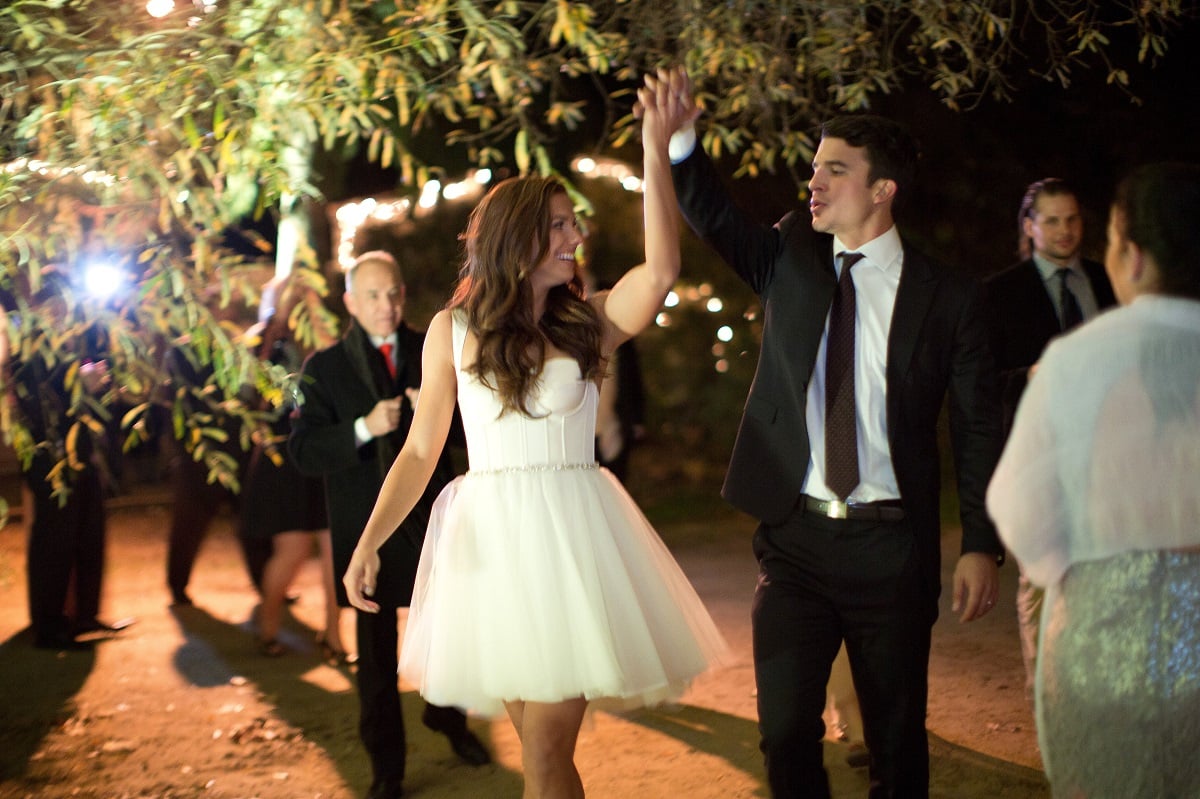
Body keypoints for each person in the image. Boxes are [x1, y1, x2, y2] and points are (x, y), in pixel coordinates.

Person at [342, 70, 728, 799]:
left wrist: (654, 146)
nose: (575, 236)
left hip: (571, 545)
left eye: (573, 224)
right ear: (516, 236)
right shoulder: (451, 333)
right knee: (544, 756)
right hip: (490, 556)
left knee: (546, 754)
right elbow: (422, 450)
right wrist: (368, 541)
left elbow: (664, 268)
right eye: (559, 224)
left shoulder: (592, 323)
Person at [664, 66, 1005, 797]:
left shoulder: (948, 297)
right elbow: (714, 217)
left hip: (892, 546)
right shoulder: (791, 254)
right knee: (786, 733)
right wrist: (683, 140)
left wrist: (980, 542)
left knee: (896, 748)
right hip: (796, 545)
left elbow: (978, 428)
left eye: (835, 171)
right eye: (814, 168)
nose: (813, 183)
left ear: (883, 190)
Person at [986, 162, 1200, 798]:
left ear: (1131, 256)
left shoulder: (1075, 358)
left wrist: (1071, 571)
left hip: (1101, 626)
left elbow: (1021, 506)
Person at [289, 250, 490, 799]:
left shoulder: (441, 347)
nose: (386, 305)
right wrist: (361, 427)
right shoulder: (323, 369)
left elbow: (484, 431)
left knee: (451, 635)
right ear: (350, 302)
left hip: (432, 523)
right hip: (367, 532)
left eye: (394, 293)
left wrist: (443, 412)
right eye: (373, 296)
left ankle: (450, 722)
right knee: (374, 658)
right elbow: (303, 451)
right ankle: (387, 769)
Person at [983, 177, 1116, 700]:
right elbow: (976, 383)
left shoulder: (1107, 283)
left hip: (1107, 458)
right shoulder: (997, 293)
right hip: (1038, 457)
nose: (1065, 231)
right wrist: (1030, 376)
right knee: (1041, 579)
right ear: (1029, 226)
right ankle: (1051, 703)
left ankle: (1097, 699)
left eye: (1073, 219)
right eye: (1053, 220)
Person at [2, 281, 134, 651]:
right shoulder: (27, 348)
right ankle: (50, 626)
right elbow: (38, 402)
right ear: (42, 307)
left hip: (83, 452)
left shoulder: (74, 340)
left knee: (89, 533)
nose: (63, 311)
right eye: (57, 304)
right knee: (55, 540)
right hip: (50, 458)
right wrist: (80, 379)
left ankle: (84, 614)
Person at [240, 277, 347, 662]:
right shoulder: (262, 342)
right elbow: (253, 396)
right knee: (293, 549)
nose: (303, 304)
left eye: (308, 298)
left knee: (336, 549)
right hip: (285, 455)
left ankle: (335, 637)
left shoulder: (326, 340)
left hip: (324, 453)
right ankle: (268, 629)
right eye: (294, 298)